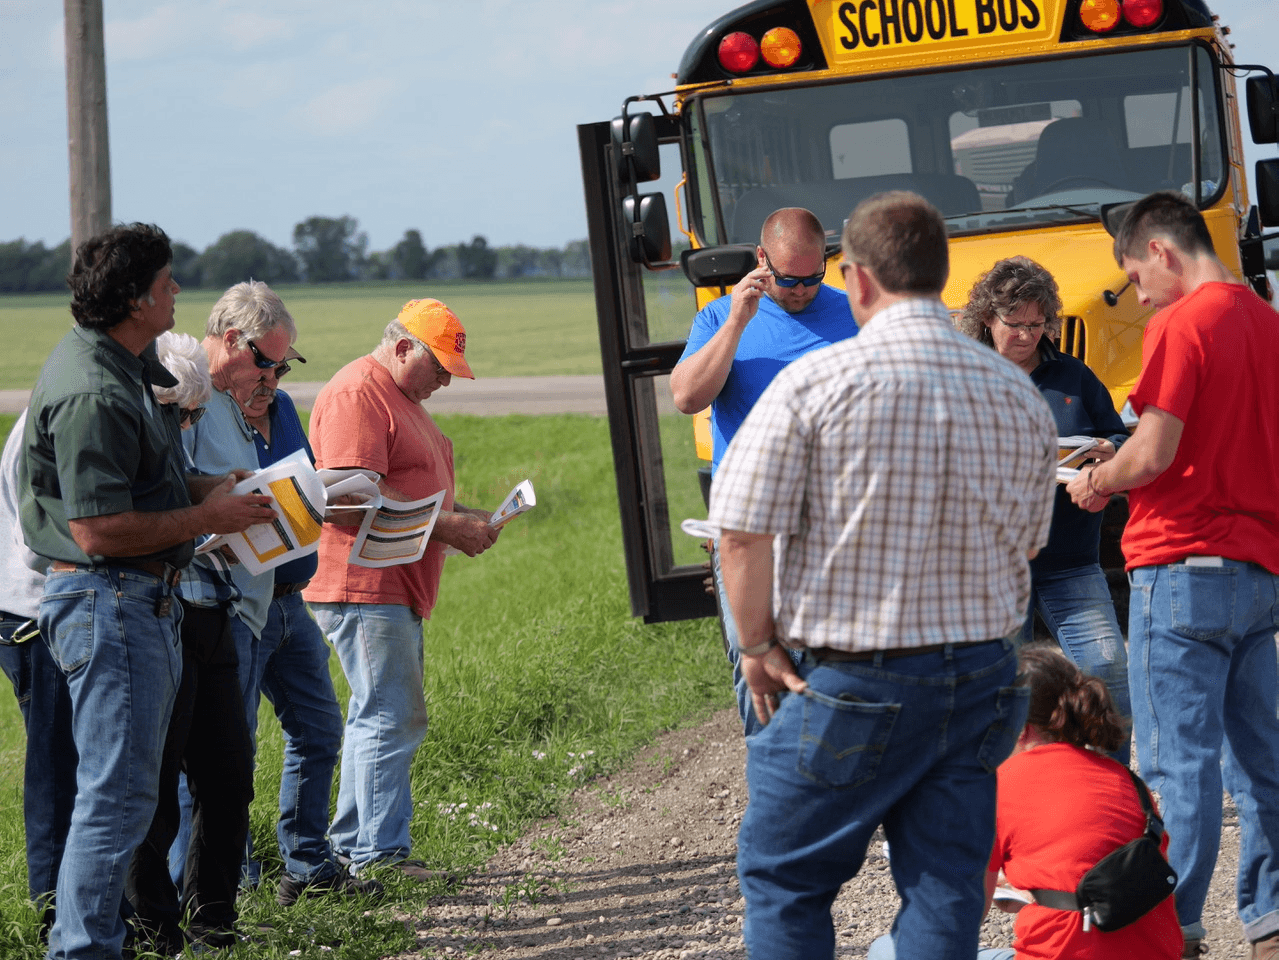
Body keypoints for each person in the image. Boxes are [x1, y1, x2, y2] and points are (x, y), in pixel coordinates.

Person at [709, 191, 1057, 960]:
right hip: (981, 675)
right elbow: (1029, 545)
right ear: (939, 276)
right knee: (945, 887)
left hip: (850, 679)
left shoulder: (813, 384)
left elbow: (739, 534)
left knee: (786, 880)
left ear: (856, 280)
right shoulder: (1018, 396)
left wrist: (758, 646)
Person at [17, 223, 274, 960]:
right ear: (134, 298)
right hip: (111, 600)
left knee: (124, 796)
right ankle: (85, 949)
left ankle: (91, 943)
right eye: (167, 283)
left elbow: (146, 486)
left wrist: (210, 488)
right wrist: (209, 516)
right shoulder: (95, 387)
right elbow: (98, 531)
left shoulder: (124, 365)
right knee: (118, 798)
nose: (178, 293)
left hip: (133, 601)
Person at [1067, 190, 1279, 959]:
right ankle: (1269, 917)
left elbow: (1151, 454)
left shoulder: (1180, 323)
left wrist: (1096, 481)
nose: (1133, 291)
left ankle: (1171, 928)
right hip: (1259, 570)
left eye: (1130, 273)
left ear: (1158, 249)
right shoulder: (1265, 320)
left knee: (1174, 766)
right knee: (1262, 760)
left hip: (1179, 567)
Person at [306, 298, 500, 880]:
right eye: (438, 367)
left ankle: (350, 851)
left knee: (381, 714)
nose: (443, 381)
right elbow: (345, 504)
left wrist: (467, 517)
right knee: (390, 716)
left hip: (393, 584)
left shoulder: (400, 396)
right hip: (364, 584)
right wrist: (448, 527)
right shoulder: (357, 394)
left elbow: (411, 492)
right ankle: (379, 857)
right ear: (402, 347)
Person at [669, 206, 858, 735]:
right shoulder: (719, 318)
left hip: (833, 528)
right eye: (788, 278)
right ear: (760, 261)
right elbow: (686, 396)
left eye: (813, 277)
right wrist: (736, 322)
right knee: (756, 666)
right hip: (751, 535)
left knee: (835, 669)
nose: (800, 290)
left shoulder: (854, 316)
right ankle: (777, 796)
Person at [868, 644, 1182, 960]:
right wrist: (1035, 893)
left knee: (886, 949)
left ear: (1018, 726)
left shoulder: (996, 786)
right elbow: (1110, 879)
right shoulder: (1131, 784)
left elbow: (960, 919)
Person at [958, 256, 1132, 763]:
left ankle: (1112, 785)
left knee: (1109, 670)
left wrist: (1109, 450)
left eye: (1038, 325)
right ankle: (1009, 803)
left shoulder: (1072, 374)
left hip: (1069, 560)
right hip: (990, 570)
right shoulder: (960, 376)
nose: (1029, 336)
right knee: (1001, 693)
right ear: (988, 318)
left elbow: (1118, 434)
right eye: (1016, 325)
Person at [123, 331, 257, 953]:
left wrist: (216, 487)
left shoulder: (165, 430)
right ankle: (154, 934)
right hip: (153, 615)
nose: (190, 423)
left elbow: (179, 481)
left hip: (210, 613)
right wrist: (208, 513)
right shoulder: (121, 423)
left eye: (198, 414)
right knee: (151, 791)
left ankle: (214, 926)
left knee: (229, 774)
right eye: (186, 414)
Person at [227, 353, 365, 907]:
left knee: (318, 728)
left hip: (290, 601)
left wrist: (334, 498)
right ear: (234, 351)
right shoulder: (211, 417)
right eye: (264, 368)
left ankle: (307, 868)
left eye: (282, 370)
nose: (272, 383)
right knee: (230, 747)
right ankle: (226, 887)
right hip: (238, 604)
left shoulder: (283, 408)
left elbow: (301, 484)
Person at [0, 410, 73, 940]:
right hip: (37, 616)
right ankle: (52, 915)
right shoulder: (61, 415)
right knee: (56, 769)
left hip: (53, 609)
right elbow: (36, 544)